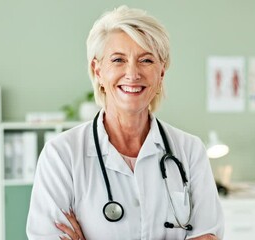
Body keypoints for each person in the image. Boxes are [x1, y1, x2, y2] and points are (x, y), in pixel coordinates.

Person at [26, 5, 224, 240]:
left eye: (146, 60)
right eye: (118, 59)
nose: (132, 73)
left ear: (161, 73)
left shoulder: (190, 151)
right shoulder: (62, 155)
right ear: (97, 70)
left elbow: (208, 236)